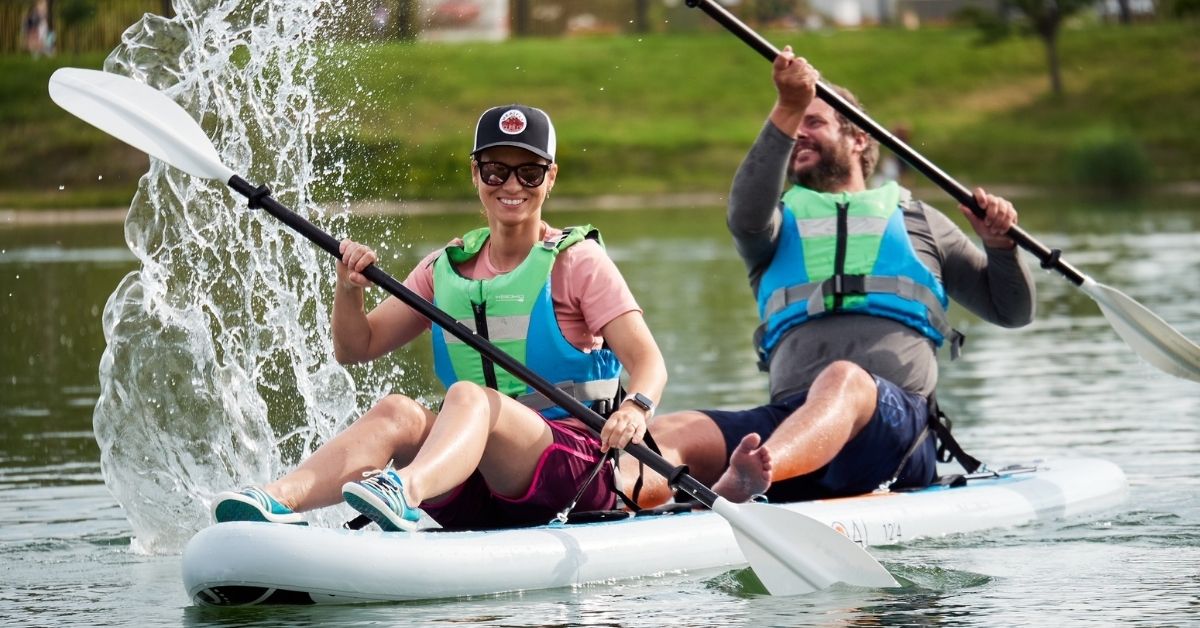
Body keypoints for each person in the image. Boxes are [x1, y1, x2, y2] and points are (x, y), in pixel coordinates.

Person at [213, 104, 667, 531]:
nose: (512, 186)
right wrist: (349, 290)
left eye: (529, 172)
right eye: (495, 170)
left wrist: (636, 407)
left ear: (551, 178)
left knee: (470, 397)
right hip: (474, 484)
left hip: (573, 473)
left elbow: (649, 362)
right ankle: (274, 500)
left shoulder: (578, 262)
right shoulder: (443, 269)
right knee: (397, 411)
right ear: (476, 174)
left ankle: (401, 490)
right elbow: (356, 348)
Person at [625, 47, 1035, 506]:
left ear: (858, 137)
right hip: (792, 423)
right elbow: (743, 212)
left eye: (813, 122)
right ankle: (610, 498)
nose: (799, 133)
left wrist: (1001, 245)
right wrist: (789, 106)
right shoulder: (773, 226)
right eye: (794, 124)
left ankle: (752, 478)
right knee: (671, 431)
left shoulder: (923, 223)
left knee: (845, 379)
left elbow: (1011, 310)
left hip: (897, 435)